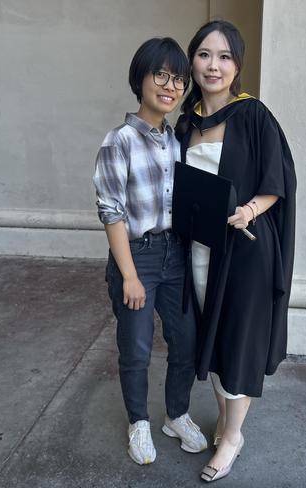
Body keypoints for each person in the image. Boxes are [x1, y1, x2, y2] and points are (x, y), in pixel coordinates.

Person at [175, 20, 296, 482]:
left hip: (245, 251)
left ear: (237, 65)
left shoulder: (253, 116)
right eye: (204, 54)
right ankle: (225, 420)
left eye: (224, 56)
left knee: (238, 341)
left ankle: (231, 438)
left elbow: (278, 180)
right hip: (200, 251)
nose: (213, 65)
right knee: (214, 335)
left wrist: (249, 209)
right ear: (192, 60)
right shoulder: (186, 122)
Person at [92, 37, 208, 466]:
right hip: (136, 256)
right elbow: (111, 211)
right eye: (161, 75)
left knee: (186, 342)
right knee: (137, 348)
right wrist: (130, 276)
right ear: (140, 78)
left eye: (178, 79)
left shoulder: (177, 140)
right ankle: (138, 422)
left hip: (174, 254)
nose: (171, 86)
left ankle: (175, 414)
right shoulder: (119, 140)